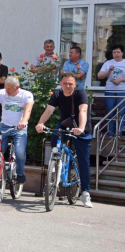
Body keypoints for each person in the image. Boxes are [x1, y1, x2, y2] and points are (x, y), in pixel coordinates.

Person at [35, 72, 93, 208]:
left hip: (81, 127)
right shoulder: (57, 94)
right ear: (60, 84)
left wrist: (81, 128)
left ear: (75, 84)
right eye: (65, 83)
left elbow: (83, 111)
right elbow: (48, 111)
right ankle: (56, 159)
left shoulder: (80, 93)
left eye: (70, 83)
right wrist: (40, 123)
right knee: (55, 133)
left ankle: (85, 194)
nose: (67, 86)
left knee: (84, 162)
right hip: (66, 124)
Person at [0, 76, 33, 188]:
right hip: (4, 126)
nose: (6, 91)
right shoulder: (2, 93)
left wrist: (23, 122)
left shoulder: (26, 95)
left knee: (19, 152)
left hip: (19, 128)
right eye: (5, 88)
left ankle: (20, 173)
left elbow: (28, 111)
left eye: (9, 89)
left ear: (17, 87)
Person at [97, 45, 125, 136]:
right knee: (110, 113)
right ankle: (111, 135)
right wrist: (108, 70)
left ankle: (119, 134)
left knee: (121, 114)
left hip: (122, 91)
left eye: (118, 52)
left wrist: (120, 80)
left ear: (122, 53)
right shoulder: (108, 63)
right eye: (114, 52)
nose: (116, 54)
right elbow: (100, 76)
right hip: (110, 90)